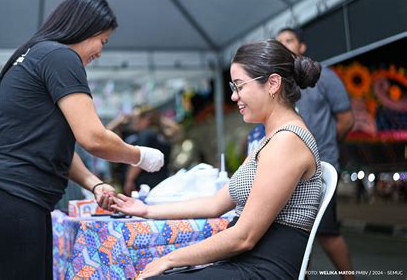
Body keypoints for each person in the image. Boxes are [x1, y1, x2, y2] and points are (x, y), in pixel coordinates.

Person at [0, 0, 164, 280]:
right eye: (103, 41)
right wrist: (140, 155)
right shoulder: (61, 57)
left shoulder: (33, 56)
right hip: (14, 193)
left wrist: (95, 184)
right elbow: (93, 137)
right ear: (86, 28)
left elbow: (50, 145)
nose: (100, 52)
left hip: (4, 191)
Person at [112, 39, 323, 279]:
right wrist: (147, 210)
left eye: (240, 86)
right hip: (244, 263)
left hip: (263, 269)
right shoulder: (271, 140)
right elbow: (215, 204)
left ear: (273, 83)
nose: (234, 97)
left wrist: (169, 259)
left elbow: (244, 237)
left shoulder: (287, 141)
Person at [276, 28, 355, 279]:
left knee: (326, 231)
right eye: (279, 43)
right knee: (294, 230)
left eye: (289, 40)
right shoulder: (278, 82)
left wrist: (326, 144)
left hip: (322, 163)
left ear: (302, 47)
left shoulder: (325, 77)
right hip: (289, 166)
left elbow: (346, 120)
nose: (284, 45)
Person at [124, 106, 172, 195]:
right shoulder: (162, 134)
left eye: (137, 119)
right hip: (162, 181)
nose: (135, 122)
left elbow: (139, 158)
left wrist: (129, 180)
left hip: (146, 185)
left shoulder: (146, 134)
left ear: (146, 119)